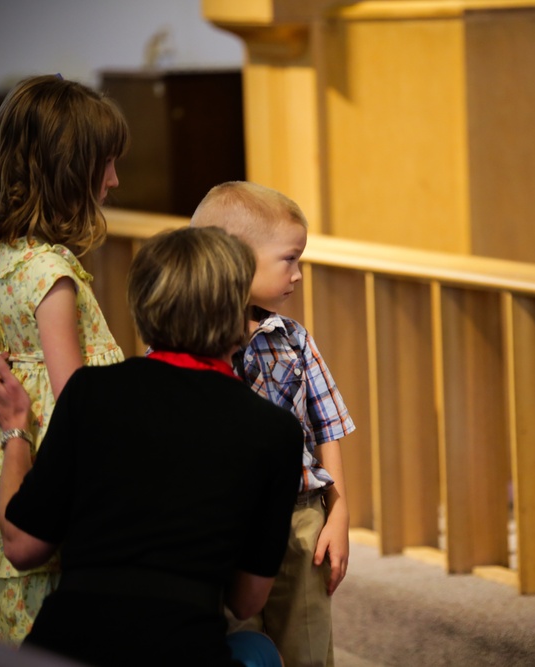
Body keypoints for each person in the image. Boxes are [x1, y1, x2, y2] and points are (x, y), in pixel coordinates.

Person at [0, 225, 304, 667]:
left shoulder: (91, 393)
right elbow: (247, 601)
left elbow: (21, 545)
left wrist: (16, 431)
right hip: (182, 650)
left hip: (63, 649)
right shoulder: (274, 431)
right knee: (260, 652)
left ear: (145, 302)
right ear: (235, 309)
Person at [0, 74, 130, 645]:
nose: (115, 179)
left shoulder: (9, 256)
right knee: (45, 585)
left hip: (13, 440)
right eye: (106, 163)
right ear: (65, 169)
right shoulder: (53, 274)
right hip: (49, 445)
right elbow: (76, 398)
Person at [191, 181, 356, 667]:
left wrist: (339, 513)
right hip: (227, 520)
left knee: (304, 640)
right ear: (237, 258)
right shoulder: (188, 340)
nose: (298, 275)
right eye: (289, 259)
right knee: (238, 642)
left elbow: (327, 428)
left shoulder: (294, 340)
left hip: (299, 517)